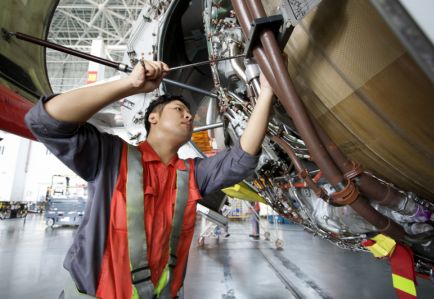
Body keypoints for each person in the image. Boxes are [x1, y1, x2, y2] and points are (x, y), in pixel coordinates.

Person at [25, 59, 274, 299]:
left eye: (189, 113)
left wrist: (266, 91)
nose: (189, 117)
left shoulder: (193, 175)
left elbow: (242, 157)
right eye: (179, 110)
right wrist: (129, 84)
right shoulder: (111, 157)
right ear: (152, 118)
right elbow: (46, 120)